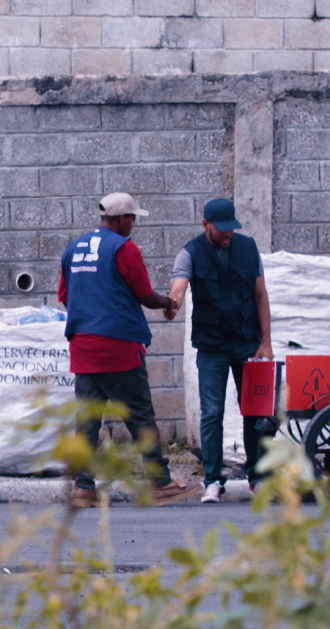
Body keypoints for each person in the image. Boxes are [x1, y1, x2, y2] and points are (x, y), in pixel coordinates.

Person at [58, 192, 200, 508]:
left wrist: (91, 313)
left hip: (83, 346)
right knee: (140, 416)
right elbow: (145, 294)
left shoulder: (74, 248)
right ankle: (161, 483)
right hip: (119, 346)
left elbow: (66, 297)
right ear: (121, 218)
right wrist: (169, 302)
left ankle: (83, 488)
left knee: (87, 421)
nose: (134, 224)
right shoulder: (124, 248)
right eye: (132, 218)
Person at [166, 198, 273, 504]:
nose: (228, 235)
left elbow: (260, 295)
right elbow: (179, 287)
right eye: (222, 230)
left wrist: (266, 342)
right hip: (211, 345)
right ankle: (213, 479)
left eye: (231, 230)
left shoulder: (248, 248)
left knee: (256, 411)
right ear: (205, 225)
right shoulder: (190, 253)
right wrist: (172, 304)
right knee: (212, 413)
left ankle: (258, 477)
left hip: (247, 343)